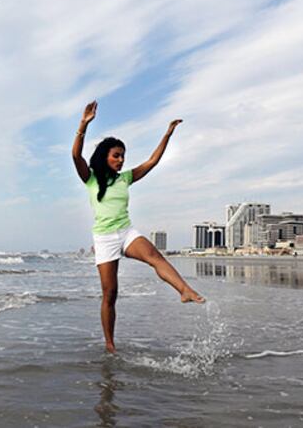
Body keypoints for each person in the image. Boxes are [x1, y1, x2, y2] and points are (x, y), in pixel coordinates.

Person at [71, 100, 205, 354]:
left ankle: (184, 290)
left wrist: (167, 135)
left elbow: (152, 161)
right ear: (105, 157)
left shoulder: (126, 178)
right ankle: (110, 344)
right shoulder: (90, 178)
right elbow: (76, 156)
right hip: (104, 238)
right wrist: (83, 124)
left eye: (123, 156)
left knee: (155, 256)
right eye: (116, 156)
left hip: (126, 231)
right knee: (110, 294)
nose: (121, 160)